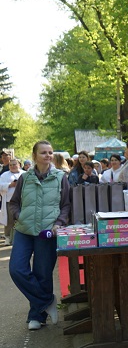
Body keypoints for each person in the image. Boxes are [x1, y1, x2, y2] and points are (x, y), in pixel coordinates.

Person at [7, 140, 72, 330]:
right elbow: (14, 203)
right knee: (17, 269)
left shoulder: (61, 177)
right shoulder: (25, 177)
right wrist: (19, 216)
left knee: (42, 273)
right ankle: (47, 301)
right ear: (34, 156)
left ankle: (37, 316)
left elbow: (66, 205)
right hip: (24, 230)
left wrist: (58, 224)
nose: (48, 155)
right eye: (43, 152)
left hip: (47, 232)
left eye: (50, 152)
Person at [0, 158, 25, 244]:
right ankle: (8, 237)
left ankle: (20, 238)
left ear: (19, 165)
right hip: (9, 201)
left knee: (21, 219)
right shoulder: (4, 175)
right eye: (10, 165)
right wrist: (10, 185)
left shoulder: (25, 174)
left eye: (14, 164)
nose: (12, 166)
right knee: (9, 221)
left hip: (23, 201)